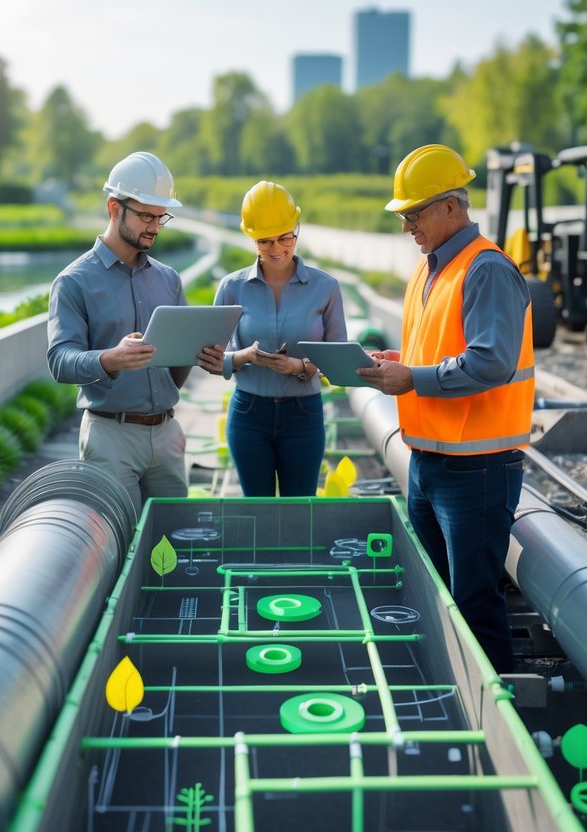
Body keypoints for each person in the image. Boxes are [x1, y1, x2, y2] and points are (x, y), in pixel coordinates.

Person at [356, 145, 535, 673]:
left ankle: (500, 728)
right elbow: (436, 352)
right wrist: (397, 362)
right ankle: (454, 697)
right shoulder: (431, 269)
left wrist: (411, 378)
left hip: (476, 470)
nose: (408, 224)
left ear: (451, 207)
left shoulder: (485, 270)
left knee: (476, 605)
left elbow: (490, 363)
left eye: (415, 213)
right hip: (429, 463)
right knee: (439, 597)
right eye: (405, 216)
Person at [46, 151, 191, 512]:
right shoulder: (73, 282)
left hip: (167, 432)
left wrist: (203, 353)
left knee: (175, 540)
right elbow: (60, 361)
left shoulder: (168, 279)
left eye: (161, 217)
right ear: (114, 208)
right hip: (110, 436)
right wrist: (112, 359)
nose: (155, 227)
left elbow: (179, 359)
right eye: (145, 216)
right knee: (118, 542)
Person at [197, 181, 346, 496]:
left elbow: (338, 362)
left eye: (285, 237)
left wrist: (299, 367)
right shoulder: (231, 288)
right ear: (251, 238)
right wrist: (243, 357)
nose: (277, 249)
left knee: (299, 511)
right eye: (264, 241)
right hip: (249, 415)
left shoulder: (327, 288)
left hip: (303, 415)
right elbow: (210, 359)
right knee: (258, 513)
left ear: (297, 228)